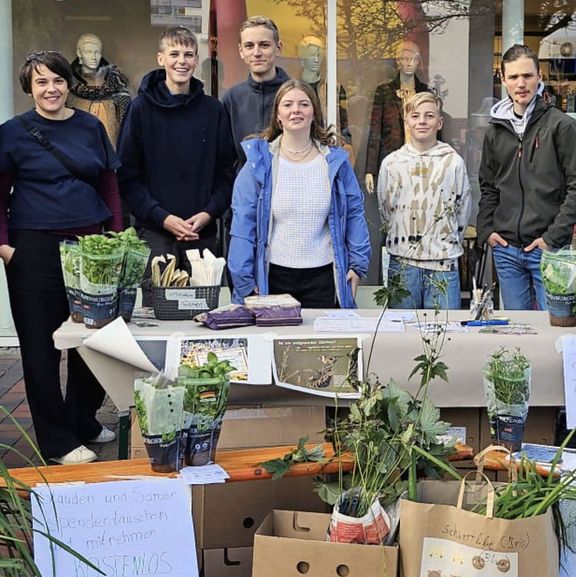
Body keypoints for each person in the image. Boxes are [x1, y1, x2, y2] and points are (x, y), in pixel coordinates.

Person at [0, 51, 123, 464]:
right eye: (40, 83)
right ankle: (56, 441)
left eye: (57, 80)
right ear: (29, 89)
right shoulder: (12, 133)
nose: (50, 89)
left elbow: (109, 185)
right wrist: (5, 248)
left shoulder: (90, 126)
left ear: (68, 83)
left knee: (94, 341)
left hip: (91, 248)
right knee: (41, 347)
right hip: (33, 250)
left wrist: (117, 236)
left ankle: (83, 420)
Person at [117, 26, 234, 306]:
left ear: (196, 61)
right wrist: (162, 218)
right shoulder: (140, 109)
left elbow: (226, 172)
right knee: (160, 314)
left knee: (201, 315)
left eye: (188, 54)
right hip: (155, 233)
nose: (181, 61)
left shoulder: (213, 110)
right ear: (160, 59)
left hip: (201, 233)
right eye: (174, 54)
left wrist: (209, 213)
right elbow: (127, 177)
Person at [228, 79, 371, 308]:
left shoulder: (335, 162)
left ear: (314, 113)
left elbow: (354, 214)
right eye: (288, 105)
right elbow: (243, 224)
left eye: (303, 104)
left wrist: (358, 265)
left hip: (324, 277)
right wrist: (244, 281)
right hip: (273, 277)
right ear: (278, 115)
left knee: (323, 344)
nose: (296, 110)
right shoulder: (259, 164)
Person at [477, 44, 576, 310]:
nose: (521, 83)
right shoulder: (495, 131)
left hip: (549, 250)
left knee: (554, 333)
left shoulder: (561, 126)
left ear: (539, 77)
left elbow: (575, 187)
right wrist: (486, 229)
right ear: (503, 80)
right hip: (507, 250)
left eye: (527, 76)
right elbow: (488, 186)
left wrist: (553, 237)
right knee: (516, 337)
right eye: (513, 77)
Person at [377, 92, 471, 309]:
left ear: (439, 122)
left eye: (429, 116)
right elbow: (386, 208)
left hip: (443, 265)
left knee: (443, 334)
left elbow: (462, 210)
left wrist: (443, 241)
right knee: (402, 337)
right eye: (415, 116)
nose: (422, 121)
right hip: (402, 264)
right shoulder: (391, 164)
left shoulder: (453, 162)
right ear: (406, 121)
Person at [221, 15, 289, 169]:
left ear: (278, 48)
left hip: (289, 188)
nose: (256, 52)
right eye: (249, 46)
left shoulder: (297, 95)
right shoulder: (231, 99)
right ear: (241, 51)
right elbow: (225, 158)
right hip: (245, 190)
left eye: (264, 45)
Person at [365, 40, 429, 195]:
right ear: (398, 61)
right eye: (405, 59)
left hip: (421, 161)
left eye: (413, 59)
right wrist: (370, 170)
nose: (409, 63)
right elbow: (375, 131)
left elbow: (433, 132)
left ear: (418, 62)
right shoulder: (385, 92)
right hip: (392, 160)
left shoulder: (425, 93)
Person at [67, 33, 131, 148]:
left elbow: (128, 129)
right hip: (76, 155)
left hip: (112, 156)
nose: (93, 57)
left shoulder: (117, 87)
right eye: (89, 52)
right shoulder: (67, 89)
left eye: (97, 52)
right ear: (79, 53)